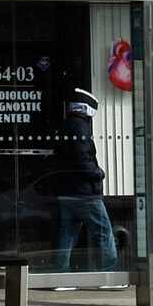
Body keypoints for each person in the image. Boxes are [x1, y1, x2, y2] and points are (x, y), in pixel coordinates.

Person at [52, 86, 117, 272]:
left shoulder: (65, 125)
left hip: (66, 191)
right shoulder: (81, 127)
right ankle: (107, 274)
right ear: (86, 109)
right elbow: (83, 158)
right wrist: (97, 173)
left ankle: (61, 273)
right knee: (103, 231)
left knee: (67, 233)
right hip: (84, 192)